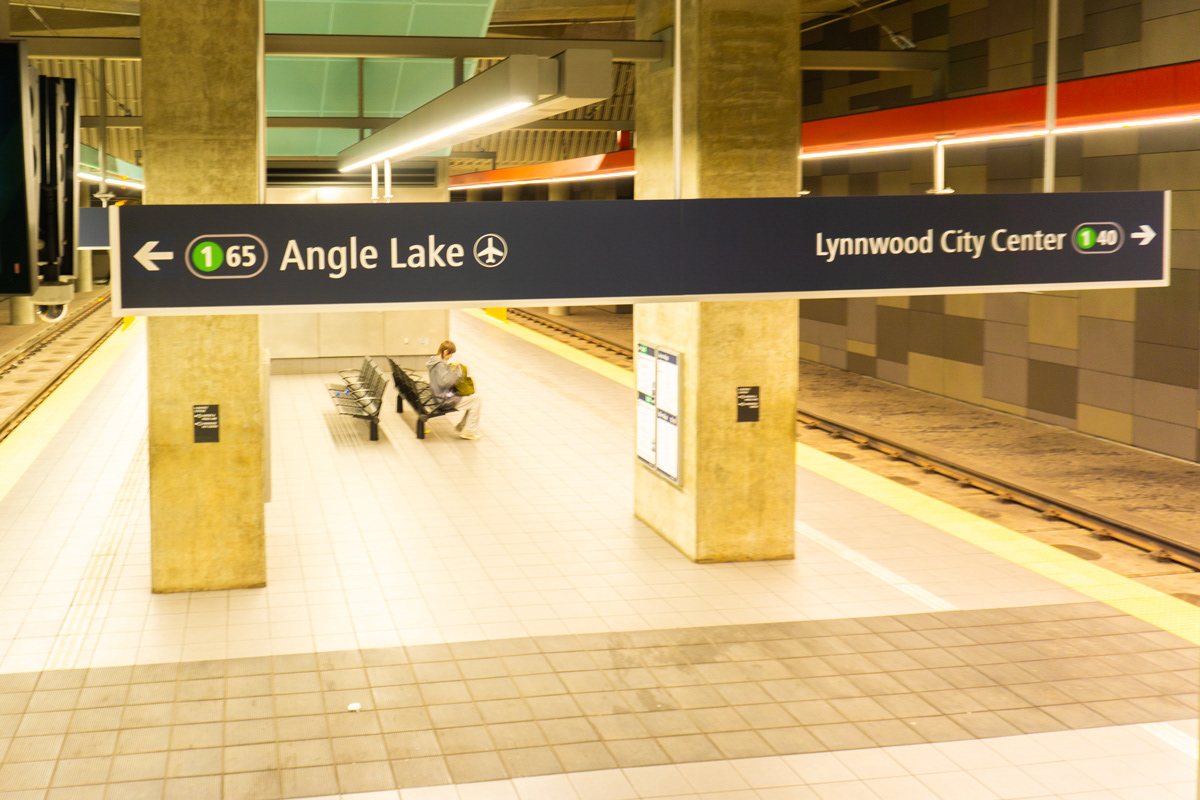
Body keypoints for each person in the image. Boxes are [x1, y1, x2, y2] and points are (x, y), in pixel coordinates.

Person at [426, 340, 483, 440]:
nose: (451, 356)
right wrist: (457, 371)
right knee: (476, 400)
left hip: (437, 395)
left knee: (473, 399)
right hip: (443, 399)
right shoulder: (439, 365)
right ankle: (469, 431)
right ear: (445, 352)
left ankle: (464, 427)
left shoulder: (433, 361)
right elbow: (444, 382)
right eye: (451, 353)